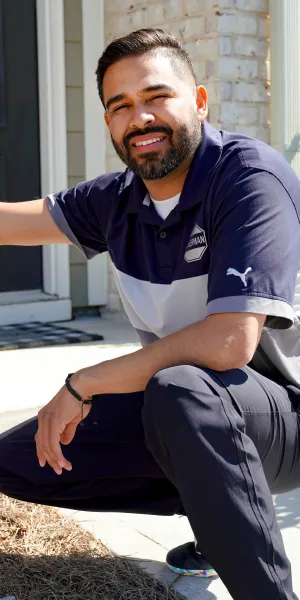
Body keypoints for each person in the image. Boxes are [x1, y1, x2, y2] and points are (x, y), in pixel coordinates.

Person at [0, 26, 300, 600]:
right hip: (192, 411)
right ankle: (218, 517)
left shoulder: (249, 179)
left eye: (156, 96)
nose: (140, 118)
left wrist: (83, 382)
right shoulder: (116, 201)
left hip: (284, 419)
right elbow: (17, 221)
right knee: (20, 460)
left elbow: (229, 343)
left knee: (181, 387)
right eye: (121, 106)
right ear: (109, 123)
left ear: (200, 101)